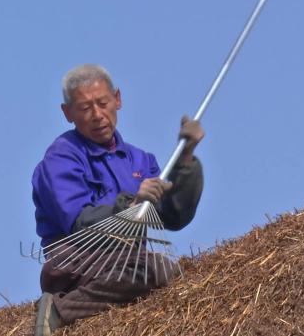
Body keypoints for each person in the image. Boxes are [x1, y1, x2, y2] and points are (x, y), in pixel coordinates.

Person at [31, 64, 205, 334]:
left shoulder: (140, 160)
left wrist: (186, 160)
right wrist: (132, 205)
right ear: (68, 113)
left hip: (125, 262)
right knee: (151, 268)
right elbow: (79, 224)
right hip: (75, 261)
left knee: (168, 270)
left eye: (102, 103)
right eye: (85, 108)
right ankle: (58, 310)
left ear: (118, 99)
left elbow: (173, 216)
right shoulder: (62, 157)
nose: (97, 115)